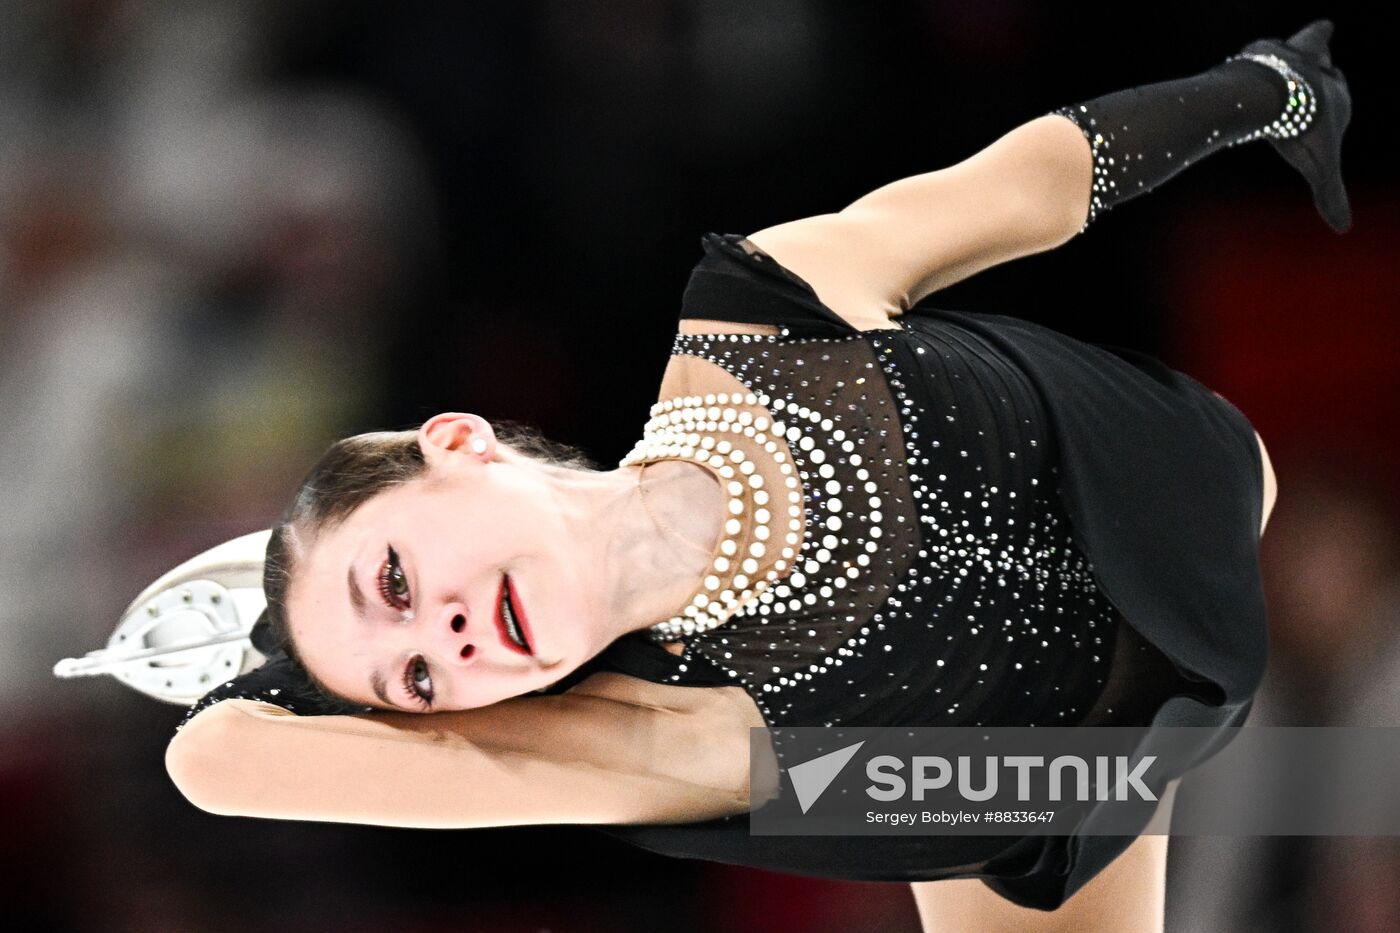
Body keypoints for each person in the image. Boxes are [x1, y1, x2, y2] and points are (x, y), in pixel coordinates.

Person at [163, 20, 1346, 933]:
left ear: (460, 442)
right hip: (1054, 772)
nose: (451, 640)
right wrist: (298, 664)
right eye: (415, 679)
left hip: (1164, 480)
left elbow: (1017, 188)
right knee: (846, 785)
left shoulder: (755, 320)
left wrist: (1266, 92)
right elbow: (211, 762)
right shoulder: (658, 740)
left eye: (397, 581)